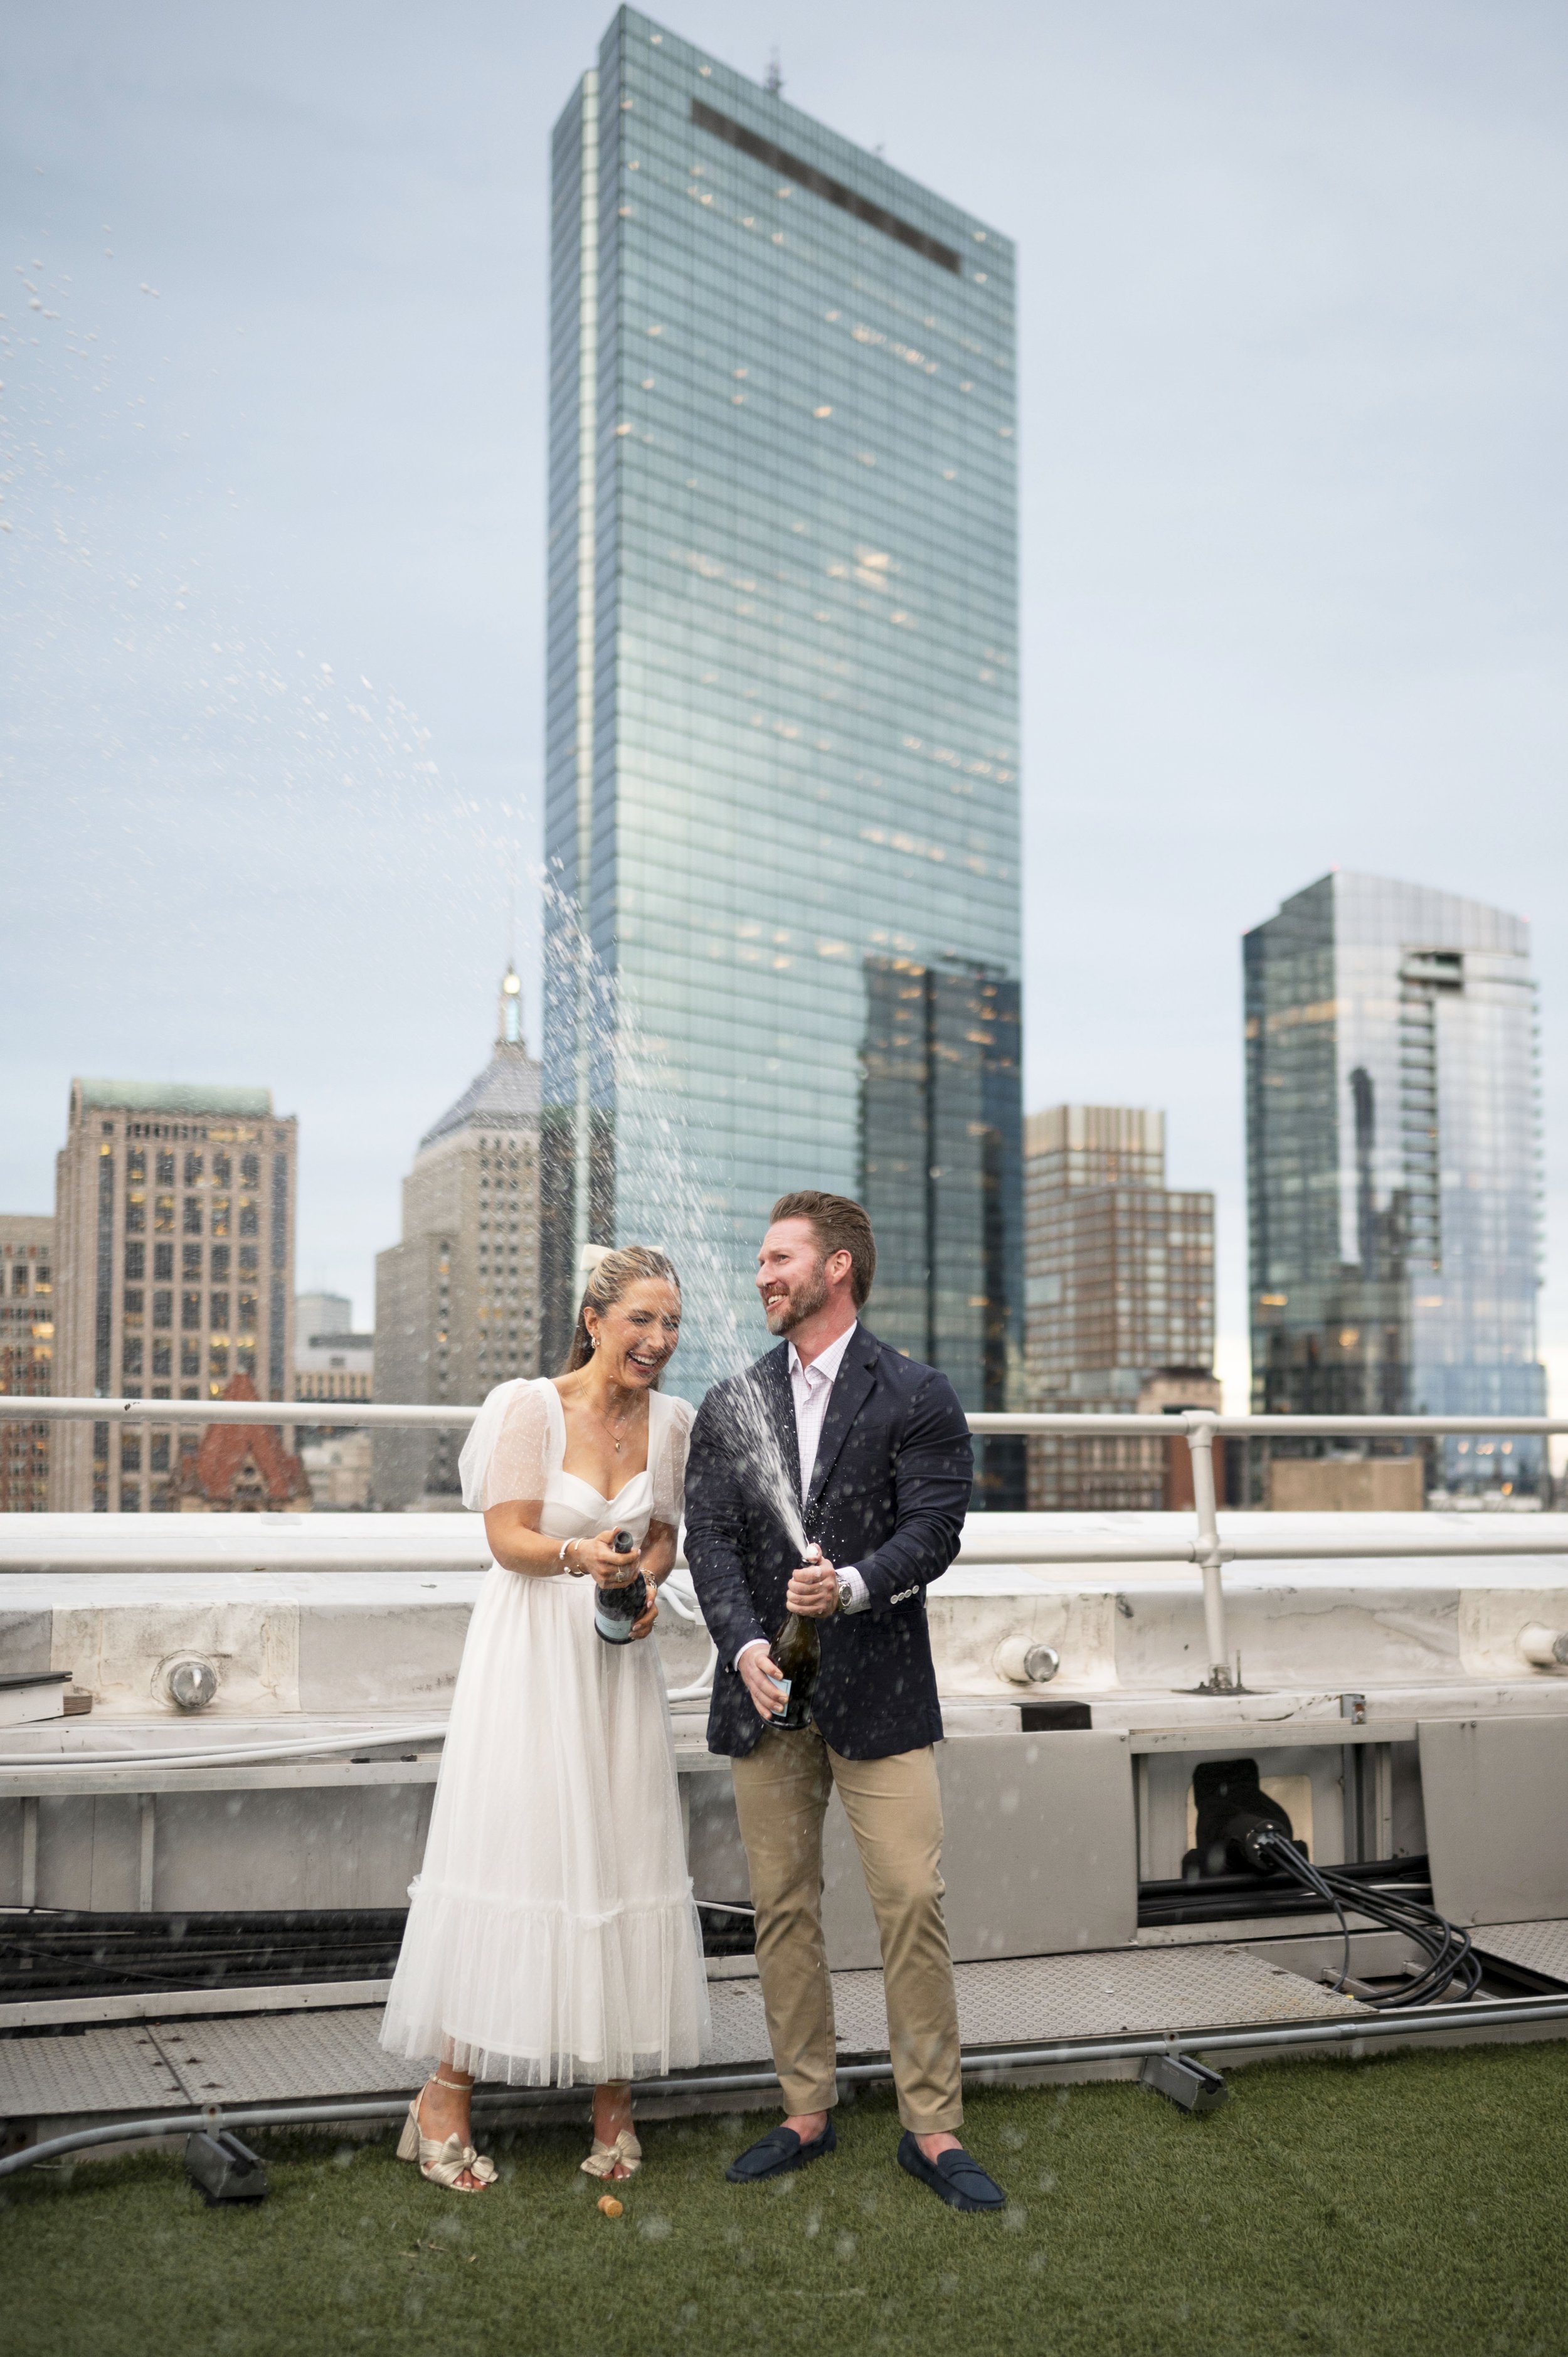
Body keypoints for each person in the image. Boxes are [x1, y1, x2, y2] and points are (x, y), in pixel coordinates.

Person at [684, 1191, 1006, 2213]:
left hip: (884, 1694)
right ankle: (805, 2107)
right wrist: (741, 1644)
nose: (763, 1275)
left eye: (780, 1258)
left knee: (911, 1897)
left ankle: (933, 2126)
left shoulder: (918, 1393)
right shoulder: (731, 1400)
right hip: (764, 1700)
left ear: (838, 1270)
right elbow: (713, 1541)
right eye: (762, 1259)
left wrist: (854, 1584)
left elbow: (937, 1529)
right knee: (783, 1908)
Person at [379, 1245, 710, 2193]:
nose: (659, 1340)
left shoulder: (675, 1424)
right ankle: (443, 2098)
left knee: (621, 1848)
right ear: (595, 1318)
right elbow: (507, 1535)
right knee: (514, 1852)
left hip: (614, 1672)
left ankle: (614, 2104)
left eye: (672, 1323)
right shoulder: (528, 1406)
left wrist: (642, 1585)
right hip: (530, 1659)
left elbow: (662, 1541)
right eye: (642, 1319)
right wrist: (577, 1558)